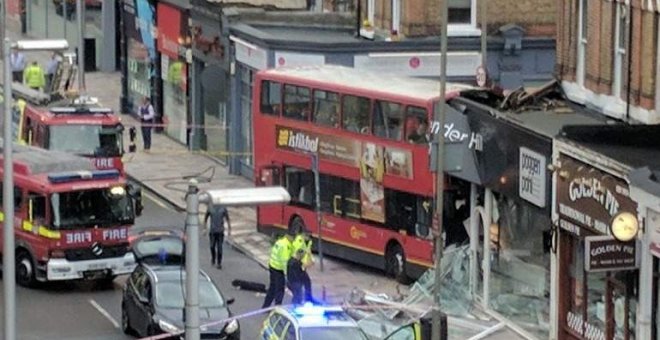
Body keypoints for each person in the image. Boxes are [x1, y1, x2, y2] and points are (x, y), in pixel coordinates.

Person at [262, 230, 295, 308]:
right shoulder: (286, 246)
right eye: (293, 238)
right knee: (280, 289)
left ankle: (265, 306)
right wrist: (287, 275)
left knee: (272, 288)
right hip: (278, 269)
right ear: (289, 237)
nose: (294, 239)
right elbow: (285, 262)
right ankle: (277, 308)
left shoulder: (280, 242)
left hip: (272, 266)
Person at [204, 203, 230, 269]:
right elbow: (206, 218)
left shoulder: (223, 208)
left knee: (220, 248)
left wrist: (229, 229)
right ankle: (213, 257)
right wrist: (204, 228)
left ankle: (219, 263)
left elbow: (227, 219)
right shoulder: (210, 207)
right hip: (212, 231)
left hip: (220, 231)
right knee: (212, 246)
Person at [292, 232, 315, 303]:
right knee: (298, 287)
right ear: (304, 236)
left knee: (307, 282)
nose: (309, 239)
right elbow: (297, 253)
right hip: (297, 265)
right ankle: (296, 303)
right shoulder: (298, 241)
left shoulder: (308, 242)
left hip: (302, 266)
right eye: (308, 237)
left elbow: (308, 252)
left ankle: (308, 299)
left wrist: (311, 260)